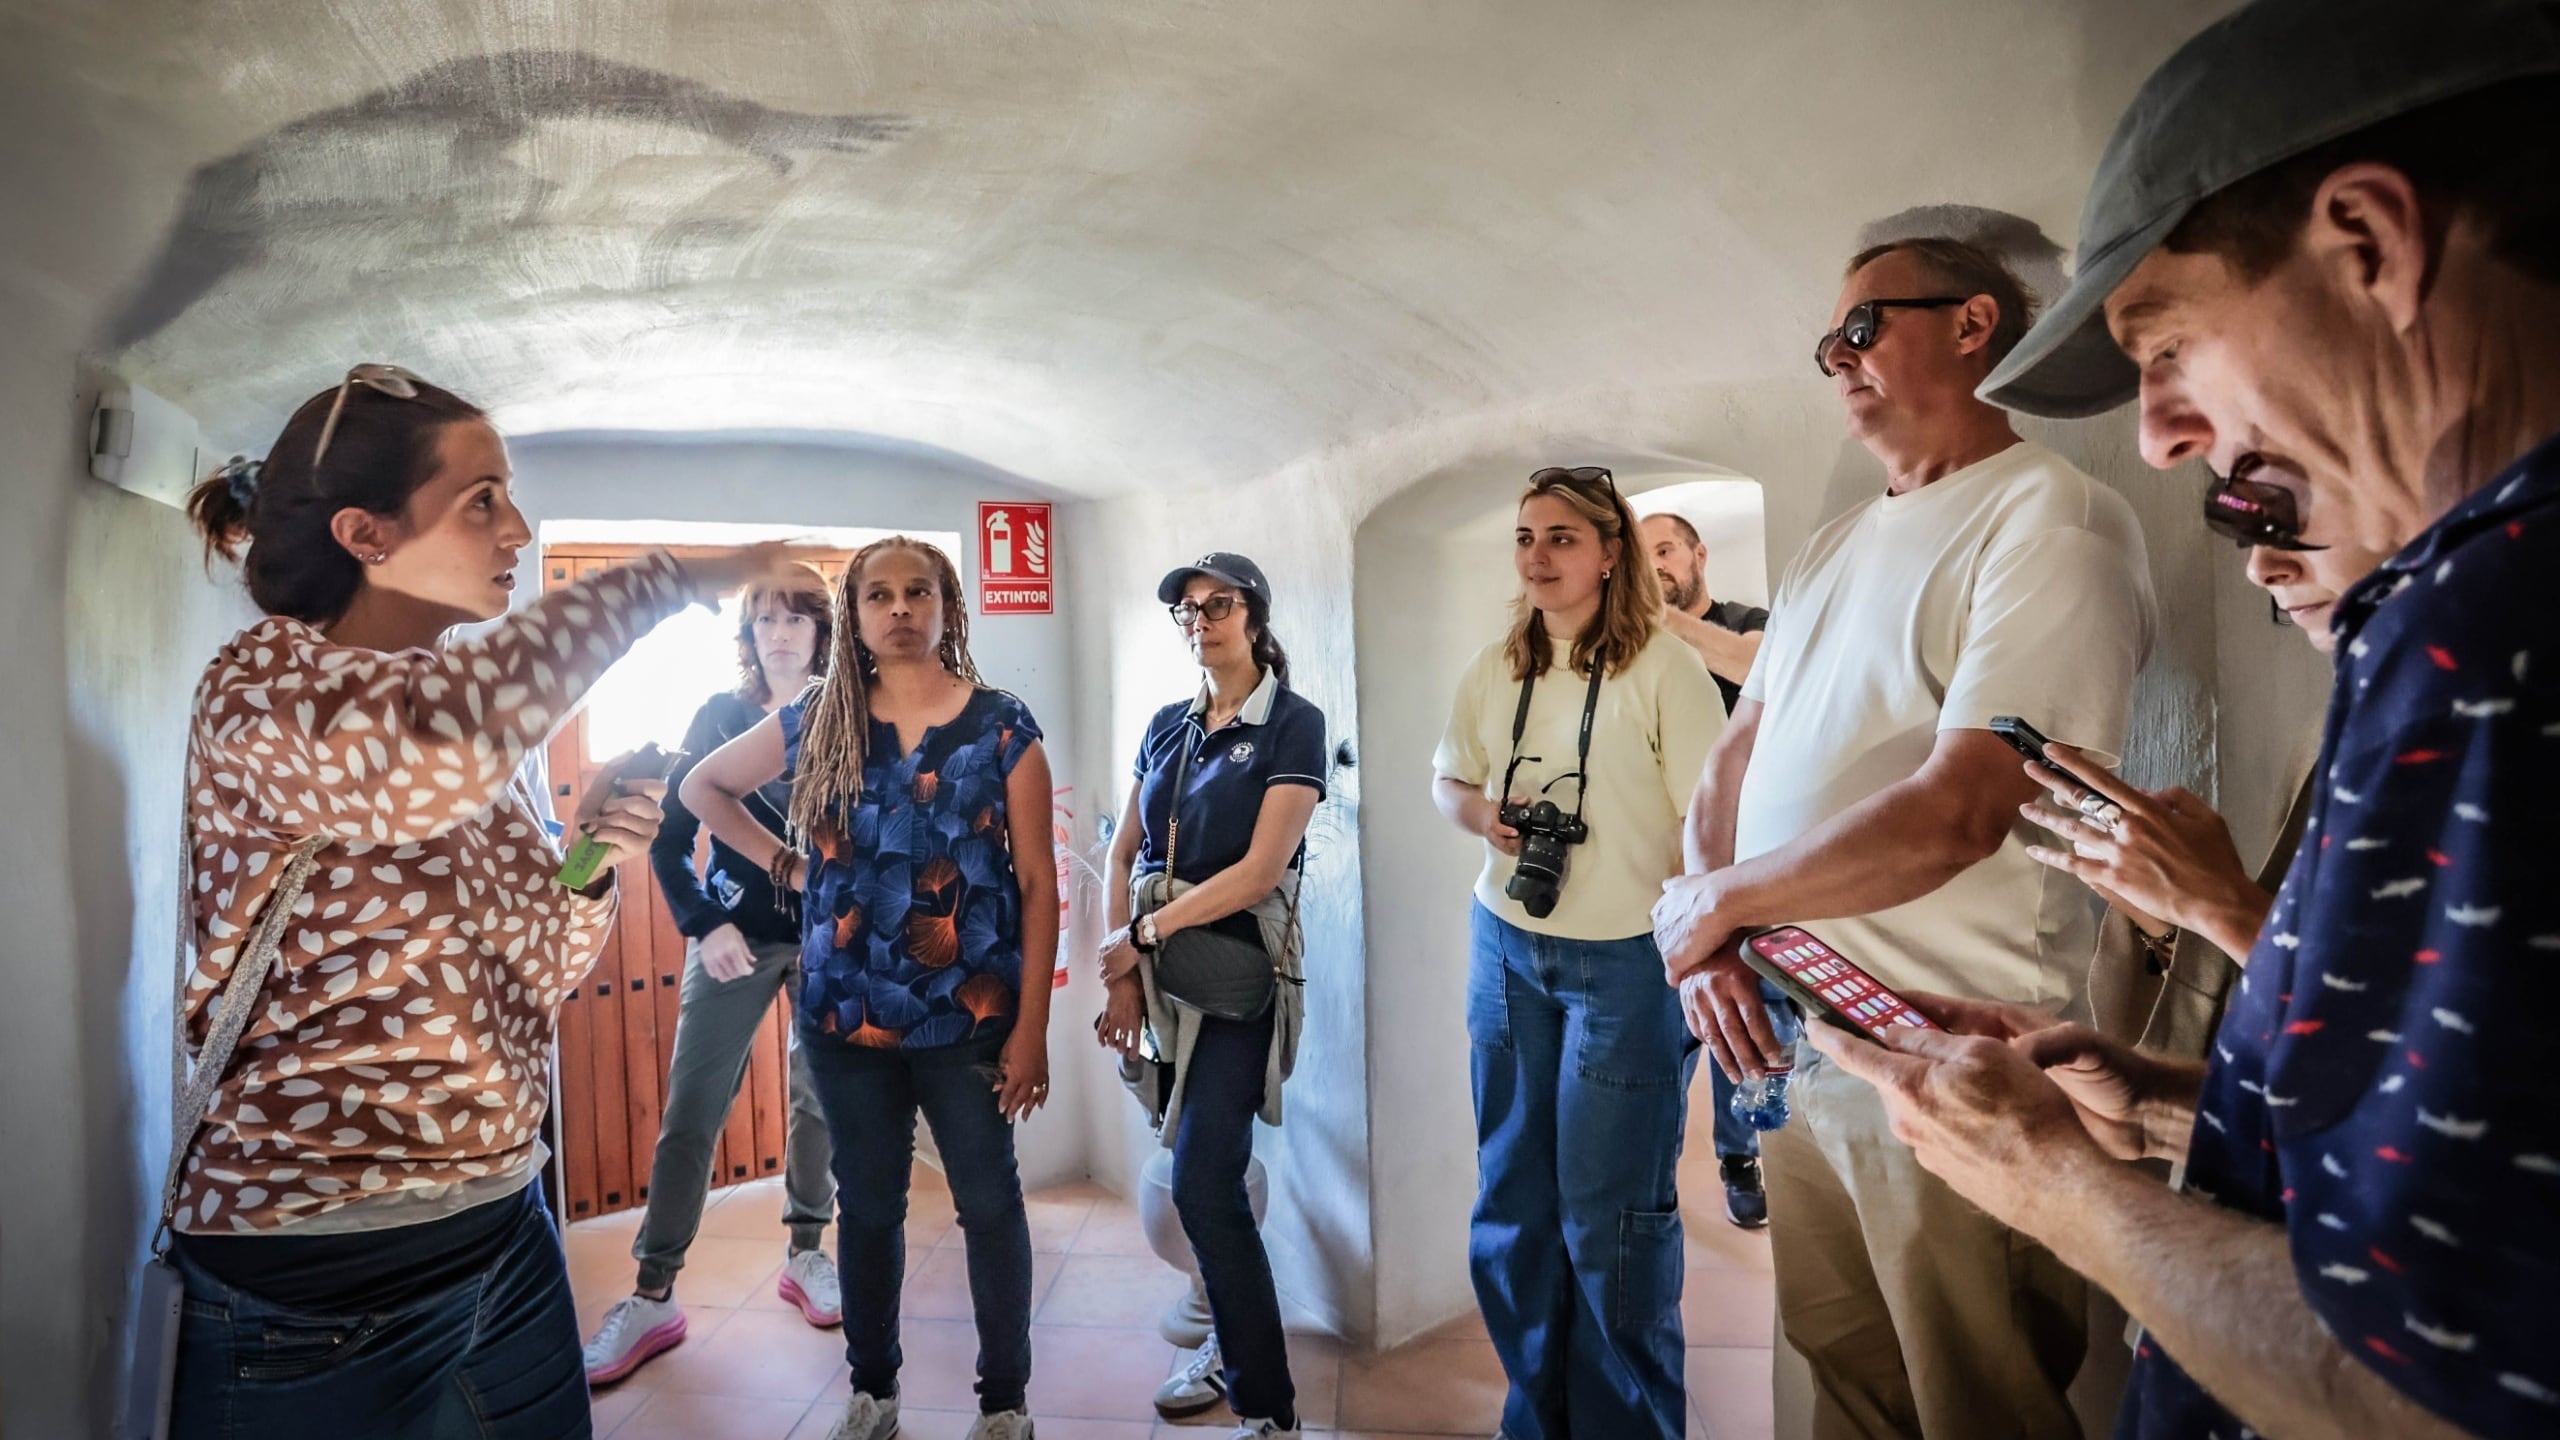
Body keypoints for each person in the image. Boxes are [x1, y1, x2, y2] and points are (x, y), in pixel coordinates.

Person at [1814, 3, 2560, 1436]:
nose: (2161, 436)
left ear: (2368, 244)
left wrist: (2061, 1193)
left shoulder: (2485, 614)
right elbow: (2454, 1177)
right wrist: (2175, 1110)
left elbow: (2441, 1399)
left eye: (2164, 346)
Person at [168, 362, 792, 1439]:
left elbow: (538, 965)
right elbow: (435, 747)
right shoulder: (264, 685)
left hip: (503, 1228)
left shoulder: (479, 737)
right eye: (483, 500)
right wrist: (661, 579)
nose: (518, 529)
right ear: (366, 534)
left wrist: (590, 855)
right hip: (316, 1273)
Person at [1652, 236, 2157, 1439]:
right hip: (1789, 1022)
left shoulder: (2051, 516)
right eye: (1826, 343)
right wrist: (1714, 936)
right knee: (1847, 1376)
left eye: (1861, 328)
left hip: (1951, 1042)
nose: (1835, 359)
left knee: (1975, 1396)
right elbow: (1736, 756)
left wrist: (1714, 907)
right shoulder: (1831, 545)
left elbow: (1965, 806)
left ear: (1974, 322)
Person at [683, 536, 1056, 1440]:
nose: (898, 609)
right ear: (852, 616)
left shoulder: (1003, 726)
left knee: (990, 1205)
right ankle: (874, 1392)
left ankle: (1004, 1404)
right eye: (878, 595)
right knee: (871, 1207)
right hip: (845, 1015)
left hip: (969, 1015)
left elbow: (1040, 884)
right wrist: (785, 863)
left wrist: (1033, 1030)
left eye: (916, 593)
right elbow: (702, 787)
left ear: (945, 606)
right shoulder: (820, 718)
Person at [1433, 466, 1722, 1440]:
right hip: (1506, 948)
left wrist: (1705, 951)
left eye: (1562, 537)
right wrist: (1488, 816)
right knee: (1512, 1206)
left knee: (1609, 1224)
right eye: (1525, 537)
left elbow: (1709, 827)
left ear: (1610, 554)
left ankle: (1627, 1427)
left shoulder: (1665, 672)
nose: (1539, 556)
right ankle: (1536, 1419)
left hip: (1628, 966)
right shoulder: (1496, 665)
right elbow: (1448, 781)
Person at [582, 562, 842, 1385]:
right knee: (692, 1112)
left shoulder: (846, 718)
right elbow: (666, 843)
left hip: (828, 942)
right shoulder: (720, 716)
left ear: (821, 631)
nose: (780, 631)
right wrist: (706, 924)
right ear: (748, 633)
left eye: (797, 616)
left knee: (818, 1103)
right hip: (736, 939)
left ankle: (808, 1252)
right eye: (765, 617)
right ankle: (654, 1291)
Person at [1091, 551, 1326, 1440]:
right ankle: (1228, 1337)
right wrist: (1121, 973)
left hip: (1230, 972)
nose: (1200, 621)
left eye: (1217, 604)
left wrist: (1143, 936)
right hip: (1151, 976)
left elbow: (1261, 871)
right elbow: (1122, 854)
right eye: (1186, 610)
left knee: (1203, 1180)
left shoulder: (1292, 726)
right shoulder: (1166, 725)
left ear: (1254, 616)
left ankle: (1268, 1407)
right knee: (1191, 1166)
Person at [2037, 535, 2387, 1060]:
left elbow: (2429, 1040)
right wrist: (2169, 919)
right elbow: (2285, 980)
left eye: (2298, 525)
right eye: (2255, 537)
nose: (2261, 569)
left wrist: (2216, 901)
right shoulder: (2332, 731)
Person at [1640, 510, 1773, 1229]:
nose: (1654, 563)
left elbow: (1759, 668)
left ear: (1697, 553)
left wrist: (1664, 622)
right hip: (1659, 875)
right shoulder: (1630, 644)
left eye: (1664, 549)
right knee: (1666, 1028)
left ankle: (1739, 1155)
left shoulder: (1746, 620)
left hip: (1747, 868)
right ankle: (1649, 1172)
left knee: (1742, 1019)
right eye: (1640, 554)